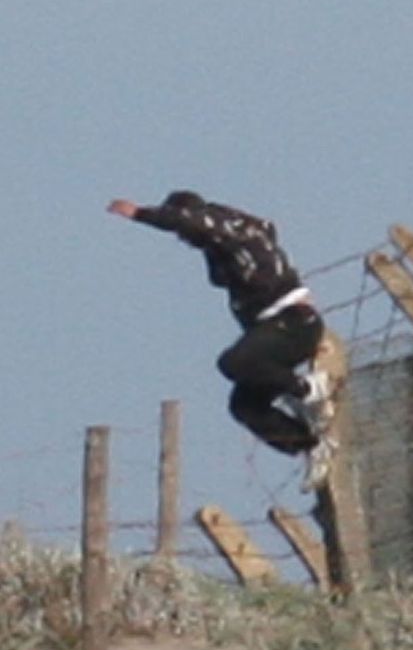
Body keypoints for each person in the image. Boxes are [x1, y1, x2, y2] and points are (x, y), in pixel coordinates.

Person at [106, 190, 336, 490]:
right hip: (273, 334)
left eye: (184, 233)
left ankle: (307, 389)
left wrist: (139, 213)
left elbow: (190, 221)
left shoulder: (226, 226)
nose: (184, 240)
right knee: (244, 406)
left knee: (233, 363)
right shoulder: (227, 246)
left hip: (293, 323)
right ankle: (313, 445)